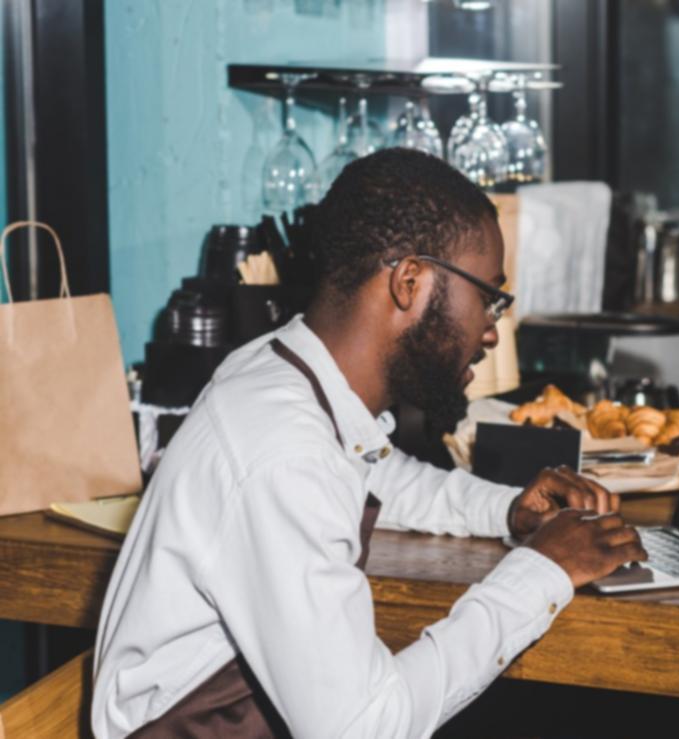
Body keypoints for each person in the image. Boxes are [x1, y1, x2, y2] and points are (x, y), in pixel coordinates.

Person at [91, 148, 647, 738]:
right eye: (488, 296)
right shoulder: (282, 450)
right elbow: (365, 727)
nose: (491, 329)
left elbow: (379, 474)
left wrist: (504, 510)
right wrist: (541, 572)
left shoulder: (282, 370)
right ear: (410, 281)